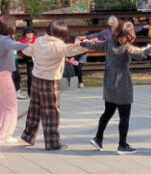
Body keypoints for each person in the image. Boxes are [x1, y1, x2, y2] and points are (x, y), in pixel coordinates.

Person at [82, 22, 151, 154]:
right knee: (124, 116)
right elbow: (141, 55)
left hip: (109, 82)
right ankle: (122, 145)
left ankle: (98, 138)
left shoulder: (109, 42)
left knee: (108, 112)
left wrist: (83, 41)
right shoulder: (127, 47)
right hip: (122, 84)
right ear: (128, 34)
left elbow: (92, 44)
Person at [20, 21, 88, 150]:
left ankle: (28, 135)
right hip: (49, 81)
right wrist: (87, 44)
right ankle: (52, 143)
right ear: (61, 33)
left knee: (35, 108)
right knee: (51, 112)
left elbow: (29, 50)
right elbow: (72, 50)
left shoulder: (39, 41)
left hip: (36, 78)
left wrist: (19, 45)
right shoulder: (58, 46)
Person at [0, 16, 31, 144]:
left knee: (2, 105)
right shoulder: (5, 40)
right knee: (11, 105)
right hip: (3, 74)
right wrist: (29, 44)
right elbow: (14, 45)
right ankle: (5, 134)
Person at [16, 27, 37, 98]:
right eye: (28, 33)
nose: (30, 35)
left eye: (31, 33)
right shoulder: (22, 40)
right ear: (25, 34)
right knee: (30, 75)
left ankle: (35, 92)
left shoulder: (36, 39)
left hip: (36, 58)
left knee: (34, 75)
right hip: (25, 57)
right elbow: (19, 50)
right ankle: (30, 92)